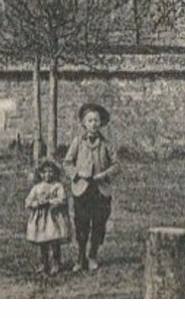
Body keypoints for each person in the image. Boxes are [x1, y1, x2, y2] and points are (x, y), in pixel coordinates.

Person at [62, 102, 116, 271]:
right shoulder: (78, 142)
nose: (93, 124)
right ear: (84, 123)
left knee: (99, 222)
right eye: (90, 120)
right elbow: (67, 163)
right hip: (82, 189)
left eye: (96, 121)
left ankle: (93, 254)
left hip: (100, 190)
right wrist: (77, 174)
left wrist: (104, 175)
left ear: (101, 123)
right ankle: (80, 257)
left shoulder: (106, 144)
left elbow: (117, 165)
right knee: (81, 222)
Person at [23, 158, 72, 275]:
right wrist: (36, 203)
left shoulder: (57, 186)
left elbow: (63, 199)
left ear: (55, 172)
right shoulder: (37, 187)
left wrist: (50, 202)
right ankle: (43, 263)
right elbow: (28, 201)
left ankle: (56, 262)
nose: (47, 175)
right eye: (44, 172)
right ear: (40, 174)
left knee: (54, 240)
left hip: (53, 218)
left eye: (50, 172)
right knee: (42, 241)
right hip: (40, 219)